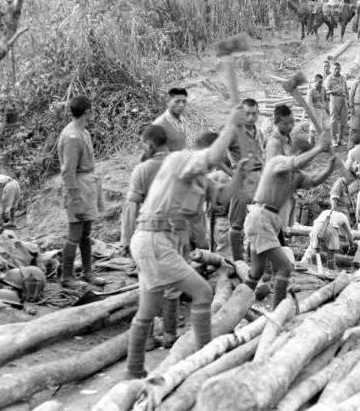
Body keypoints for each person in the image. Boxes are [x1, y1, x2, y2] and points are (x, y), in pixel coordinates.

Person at [125, 106, 248, 378]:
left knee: (148, 308)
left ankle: (133, 370)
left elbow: (223, 196)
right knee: (202, 292)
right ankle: (203, 360)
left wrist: (239, 176)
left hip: (156, 242)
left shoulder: (200, 178)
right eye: (215, 159)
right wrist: (232, 124)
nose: (215, 165)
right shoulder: (181, 160)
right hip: (154, 239)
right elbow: (212, 156)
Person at [243, 131, 336, 310]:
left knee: (256, 272)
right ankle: (277, 312)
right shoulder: (278, 162)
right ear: (298, 153)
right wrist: (318, 148)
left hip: (268, 221)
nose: (307, 164)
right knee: (284, 268)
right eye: (307, 159)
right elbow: (295, 162)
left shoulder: (296, 175)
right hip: (260, 217)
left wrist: (330, 167)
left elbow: (313, 180)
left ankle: (238, 303)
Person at [57, 95, 105, 289]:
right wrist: (76, 198)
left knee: (85, 234)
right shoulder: (72, 137)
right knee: (75, 234)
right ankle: (67, 277)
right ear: (87, 112)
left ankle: (87, 272)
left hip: (87, 185)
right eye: (92, 110)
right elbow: (68, 172)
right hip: (77, 187)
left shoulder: (83, 132)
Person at [120, 125, 170, 257]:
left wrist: (126, 242)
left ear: (150, 145)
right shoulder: (181, 164)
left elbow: (132, 207)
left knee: (130, 202)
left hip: (153, 236)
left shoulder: (142, 169)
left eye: (143, 144)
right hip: (180, 234)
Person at [226, 98, 265, 264]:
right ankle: (238, 262)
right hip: (241, 181)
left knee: (257, 221)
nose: (250, 117)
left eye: (254, 114)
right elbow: (217, 156)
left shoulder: (260, 132)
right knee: (237, 224)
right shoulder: (233, 132)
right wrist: (232, 172)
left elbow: (262, 157)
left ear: (258, 113)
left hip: (258, 180)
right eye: (247, 114)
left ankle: (253, 259)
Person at [153, 88, 189, 152]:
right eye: (177, 101)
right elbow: (156, 153)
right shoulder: (159, 125)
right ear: (168, 102)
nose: (181, 105)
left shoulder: (184, 121)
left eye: (184, 101)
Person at [325, 62, 349, 147]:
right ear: (333, 69)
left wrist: (348, 98)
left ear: (340, 69)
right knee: (333, 120)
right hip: (334, 98)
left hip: (343, 98)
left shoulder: (343, 77)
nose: (337, 70)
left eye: (338, 68)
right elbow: (326, 90)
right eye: (335, 68)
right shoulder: (329, 78)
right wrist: (333, 91)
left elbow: (346, 88)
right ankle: (334, 139)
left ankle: (341, 139)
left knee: (344, 120)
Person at [306, 74, 329, 144]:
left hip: (323, 111)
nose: (321, 84)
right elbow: (309, 104)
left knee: (325, 127)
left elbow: (325, 99)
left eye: (322, 82)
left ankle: (322, 143)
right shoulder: (311, 91)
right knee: (314, 129)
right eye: (319, 82)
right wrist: (312, 114)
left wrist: (326, 108)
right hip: (315, 111)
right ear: (315, 81)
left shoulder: (323, 89)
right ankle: (311, 143)